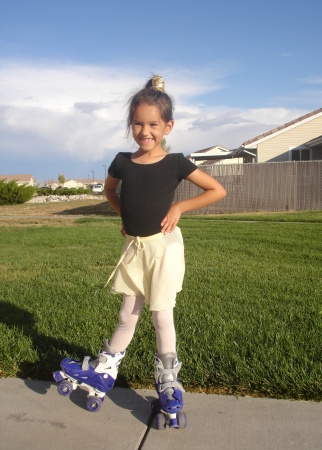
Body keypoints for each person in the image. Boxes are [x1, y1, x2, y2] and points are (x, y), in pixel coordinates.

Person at [53, 75, 226, 423]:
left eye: (152, 124)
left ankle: (168, 380)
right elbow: (110, 193)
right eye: (137, 123)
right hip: (135, 249)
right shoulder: (121, 161)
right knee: (127, 315)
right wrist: (125, 218)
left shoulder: (176, 162)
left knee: (162, 314)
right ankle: (105, 368)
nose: (144, 131)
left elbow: (216, 190)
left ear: (167, 126)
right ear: (130, 124)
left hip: (163, 250)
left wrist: (178, 209)